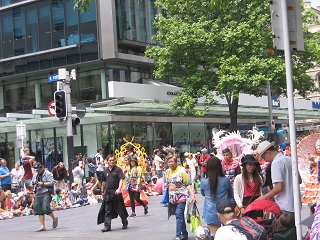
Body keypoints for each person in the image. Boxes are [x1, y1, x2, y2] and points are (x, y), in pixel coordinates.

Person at [256, 141, 301, 213]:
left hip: (284, 205)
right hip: (295, 204)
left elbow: (278, 187)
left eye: (264, 157)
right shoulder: (289, 159)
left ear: (268, 153)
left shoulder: (276, 163)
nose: (265, 160)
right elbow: (299, 180)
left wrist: (263, 197)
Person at [200, 156, 234, 237]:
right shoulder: (225, 180)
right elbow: (231, 194)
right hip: (225, 211)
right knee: (226, 236)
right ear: (219, 167)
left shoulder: (204, 181)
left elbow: (203, 193)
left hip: (210, 212)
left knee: (214, 236)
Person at [164, 155, 196, 240]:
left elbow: (187, 184)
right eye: (169, 162)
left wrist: (192, 194)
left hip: (181, 195)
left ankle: (178, 235)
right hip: (172, 197)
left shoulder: (182, 171)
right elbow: (166, 183)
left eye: (172, 162)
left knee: (178, 214)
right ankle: (184, 233)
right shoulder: (167, 172)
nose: (170, 163)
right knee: (179, 216)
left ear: (176, 162)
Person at [97, 155, 129, 232]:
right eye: (110, 160)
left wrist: (119, 189)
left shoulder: (118, 170)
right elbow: (104, 182)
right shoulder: (105, 171)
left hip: (116, 192)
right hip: (108, 193)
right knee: (107, 210)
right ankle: (107, 226)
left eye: (113, 160)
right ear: (107, 161)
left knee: (120, 209)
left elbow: (121, 179)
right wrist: (103, 191)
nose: (112, 161)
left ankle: (124, 222)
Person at [234, 154, 263, 219]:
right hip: (245, 204)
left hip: (257, 203)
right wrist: (241, 207)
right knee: (247, 225)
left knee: (259, 224)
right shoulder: (239, 178)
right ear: (245, 165)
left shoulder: (259, 177)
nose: (251, 167)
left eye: (253, 165)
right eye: (249, 164)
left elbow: (261, 192)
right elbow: (236, 194)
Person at [32, 162, 58, 232]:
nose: (38, 171)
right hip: (38, 193)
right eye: (36, 170)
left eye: (39, 169)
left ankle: (54, 218)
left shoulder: (48, 174)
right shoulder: (35, 175)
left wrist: (43, 184)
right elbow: (33, 183)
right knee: (39, 209)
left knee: (45, 207)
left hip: (46, 192)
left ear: (42, 167)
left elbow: (52, 183)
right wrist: (34, 186)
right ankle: (42, 226)